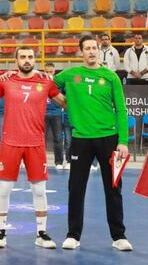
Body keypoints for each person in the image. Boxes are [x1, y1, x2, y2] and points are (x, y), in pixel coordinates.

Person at [0, 46, 67, 249]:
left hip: (35, 144)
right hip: (10, 142)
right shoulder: (6, 81)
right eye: (23, 57)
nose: (27, 60)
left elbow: (65, 103)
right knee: (4, 188)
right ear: (16, 60)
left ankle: (41, 233)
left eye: (30, 57)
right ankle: (1, 231)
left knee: (39, 190)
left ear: (35, 59)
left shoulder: (46, 81)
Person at [54, 35, 132, 251]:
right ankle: (73, 235)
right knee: (76, 188)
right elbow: (47, 86)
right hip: (81, 139)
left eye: (94, 48)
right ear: (81, 52)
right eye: (87, 48)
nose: (91, 51)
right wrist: (62, 102)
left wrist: (123, 141)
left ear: (98, 51)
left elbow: (122, 110)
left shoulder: (110, 77)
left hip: (109, 139)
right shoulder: (70, 75)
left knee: (113, 188)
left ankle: (119, 236)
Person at [43, 62, 69, 170]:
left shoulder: (59, 84)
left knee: (58, 139)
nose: (49, 74)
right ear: (44, 72)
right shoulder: (40, 82)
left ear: (54, 72)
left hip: (56, 114)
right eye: (47, 72)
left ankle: (58, 162)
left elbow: (65, 98)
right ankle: (40, 162)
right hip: (43, 114)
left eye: (51, 72)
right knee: (41, 140)